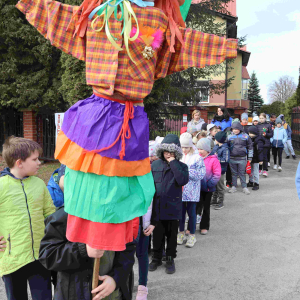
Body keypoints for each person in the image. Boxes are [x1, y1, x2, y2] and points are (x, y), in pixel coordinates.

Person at [15, 0, 237, 252]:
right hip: (100, 115)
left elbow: (183, 44)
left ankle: (104, 242)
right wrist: (33, 5)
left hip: (123, 120)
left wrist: (224, 46)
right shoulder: (100, 14)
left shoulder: (154, 21)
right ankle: (94, 239)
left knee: (116, 183)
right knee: (90, 179)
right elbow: (68, 20)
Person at [39, 206, 137, 300]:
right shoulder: (66, 214)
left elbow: (127, 251)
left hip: (114, 294)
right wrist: (82, 249)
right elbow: (47, 255)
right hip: (75, 294)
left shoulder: (119, 214)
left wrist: (115, 279)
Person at [0, 136, 56, 300]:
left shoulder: (39, 184)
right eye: (35, 159)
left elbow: (51, 215)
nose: (39, 162)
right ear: (19, 162)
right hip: (12, 259)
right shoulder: (2, 186)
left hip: (40, 256)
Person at [149, 134, 189, 274]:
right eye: (166, 151)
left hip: (173, 208)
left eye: (172, 152)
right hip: (157, 208)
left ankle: (170, 259)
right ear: (162, 151)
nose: (168, 154)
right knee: (157, 235)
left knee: (171, 237)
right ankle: (156, 258)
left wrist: (173, 163)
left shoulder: (182, 166)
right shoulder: (155, 164)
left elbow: (182, 180)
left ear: (176, 152)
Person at [177, 133, 206, 248]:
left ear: (191, 146)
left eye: (187, 147)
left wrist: (188, 171)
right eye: (182, 147)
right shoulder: (178, 156)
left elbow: (201, 174)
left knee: (192, 213)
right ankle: (181, 233)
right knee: (181, 213)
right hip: (180, 190)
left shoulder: (197, 157)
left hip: (192, 190)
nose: (184, 149)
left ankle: (192, 235)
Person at [196, 138, 221, 235]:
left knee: (206, 208)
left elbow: (217, 174)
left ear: (207, 150)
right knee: (195, 208)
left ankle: (204, 226)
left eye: (201, 149)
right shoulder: (196, 158)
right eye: (198, 149)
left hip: (208, 188)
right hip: (197, 188)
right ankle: (192, 225)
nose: (199, 151)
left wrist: (209, 184)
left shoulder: (214, 160)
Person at [227, 122, 253, 195]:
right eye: (233, 129)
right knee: (234, 173)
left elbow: (250, 147)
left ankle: (244, 187)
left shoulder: (245, 136)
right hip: (232, 158)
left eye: (237, 129)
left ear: (240, 129)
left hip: (242, 158)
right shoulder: (229, 137)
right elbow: (226, 147)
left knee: (242, 173)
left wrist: (250, 157)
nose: (235, 130)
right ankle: (234, 186)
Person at [211, 131, 230, 209]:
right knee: (214, 186)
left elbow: (225, 160)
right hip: (214, 170)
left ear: (218, 139)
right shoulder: (216, 146)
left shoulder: (225, 148)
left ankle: (221, 202)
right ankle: (214, 200)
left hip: (221, 171)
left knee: (220, 187)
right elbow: (212, 154)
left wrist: (216, 158)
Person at [247, 126, 264, 191]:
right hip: (251, 158)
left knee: (256, 171)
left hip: (256, 159)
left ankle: (256, 183)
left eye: (251, 133)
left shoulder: (258, 140)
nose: (249, 134)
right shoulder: (250, 138)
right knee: (250, 171)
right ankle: (251, 182)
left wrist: (260, 159)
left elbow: (260, 150)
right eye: (249, 133)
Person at [256, 113, 273, 177]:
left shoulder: (268, 125)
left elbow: (271, 134)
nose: (261, 119)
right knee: (259, 156)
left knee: (265, 157)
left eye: (262, 118)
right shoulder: (257, 126)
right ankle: (260, 169)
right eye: (260, 118)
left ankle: (265, 170)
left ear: (265, 118)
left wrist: (266, 135)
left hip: (266, 143)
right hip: (259, 143)